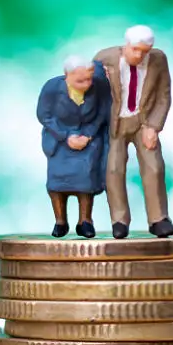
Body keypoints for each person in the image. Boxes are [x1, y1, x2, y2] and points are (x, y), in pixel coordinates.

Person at [91, 25, 173, 238]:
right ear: (126, 45)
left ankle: (158, 218)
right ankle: (119, 220)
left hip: (143, 121)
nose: (139, 55)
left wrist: (153, 126)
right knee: (113, 170)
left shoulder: (158, 60)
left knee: (154, 167)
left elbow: (164, 94)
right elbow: (93, 93)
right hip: (115, 123)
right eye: (135, 49)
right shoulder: (104, 58)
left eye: (145, 51)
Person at [36, 54, 111, 238]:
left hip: (88, 139)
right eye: (80, 81)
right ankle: (60, 220)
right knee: (57, 183)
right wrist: (65, 136)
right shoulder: (52, 88)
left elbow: (103, 112)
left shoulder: (99, 87)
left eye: (89, 79)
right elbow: (44, 115)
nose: (86, 84)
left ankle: (85, 221)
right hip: (59, 140)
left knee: (86, 180)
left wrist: (88, 135)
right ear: (67, 75)